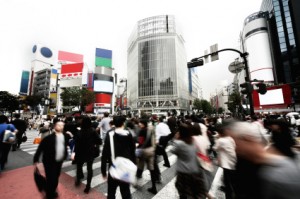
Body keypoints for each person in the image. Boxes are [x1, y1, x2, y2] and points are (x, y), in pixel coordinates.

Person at [227, 120, 300, 199]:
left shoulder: (279, 171)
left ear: (247, 138)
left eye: (235, 143)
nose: (235, 148)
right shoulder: (247, 164)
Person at [101, 116, 136, 199]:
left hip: (113, 166)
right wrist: (134, 164)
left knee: (111, 192)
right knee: (125, 192)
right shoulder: (128, 134)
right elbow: (132, 151)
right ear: (123, 123)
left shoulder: (109, 134)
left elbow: (105, 153)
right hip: (125, 167)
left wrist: (103, 171)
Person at [33, 121, 69, 199]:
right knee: (50, 178)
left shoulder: (65, 136)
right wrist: (36, 158)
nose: (61, 127)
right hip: (49, 161)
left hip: (59, 161)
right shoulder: (48, 138)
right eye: (59, 125)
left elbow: (65, 146)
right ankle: (49, 194)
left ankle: (51, 191)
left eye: (62, 125)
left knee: (56, 177)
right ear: (54, 127)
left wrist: (65, 155)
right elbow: (40, 148)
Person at [171, 122, 206, 199]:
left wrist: (176, 139)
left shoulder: (179, 143)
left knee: (184, 191)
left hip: (184, 172)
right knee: (194, 191)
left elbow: (173, 150)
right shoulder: (194, 140)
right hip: (195, 170)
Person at [74, 116, 102, 193]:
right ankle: (88, 186)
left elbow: (76, 143)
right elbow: (99, 141)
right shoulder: (93, 131)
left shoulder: (79, 131)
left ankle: (78, 179)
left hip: (80, 152)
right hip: (90, 152)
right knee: (89, 168)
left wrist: (75, 152)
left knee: (79, 166)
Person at [214, 121, 237, 199]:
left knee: (228, 183)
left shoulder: (221, 141)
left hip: (227, 164)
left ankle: (230, 195)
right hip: (233, 161)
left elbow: (215, 148)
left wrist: (217, 139)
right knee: (231, 180)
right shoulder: (230, 138)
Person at [136, 119, 157, 194]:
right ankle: (154, 187)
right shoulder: (150, 129)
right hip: (151, 150)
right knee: (151, 169)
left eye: (140, 123)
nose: (139, 124)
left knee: (140, 165)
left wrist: (137, 148)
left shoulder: (142, 131)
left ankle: (136, 183)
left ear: (143, 124)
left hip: (144, 151)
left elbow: (140, 142)